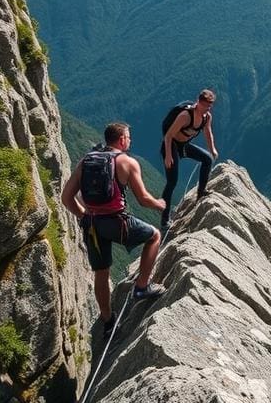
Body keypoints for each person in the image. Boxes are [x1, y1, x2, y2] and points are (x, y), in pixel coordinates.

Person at [61, 122, 166, 338]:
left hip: (92, 226)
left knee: (101, 272)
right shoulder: (127, 162)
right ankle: (142, 287)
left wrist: (84, 216)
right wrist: (160, 204)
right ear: (121, 140)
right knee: (154, 236)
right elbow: (143, 199)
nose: (130, 140)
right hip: (117, 222)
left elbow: (66, 197)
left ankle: (108, 321)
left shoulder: (86, 161)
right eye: (128, 137)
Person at [160, 88, 219, 228]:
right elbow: (168, 136)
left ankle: (201, 193)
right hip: (171, 145)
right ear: (198, 102)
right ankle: (164, 220)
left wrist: (212, 149)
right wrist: (168, 155)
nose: (206, 109)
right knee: (172, 182)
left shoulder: (207, 117)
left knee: (207, 159)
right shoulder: (185, 116)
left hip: (184, 145)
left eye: (209, 106)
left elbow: (208, 132)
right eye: (204, 105)